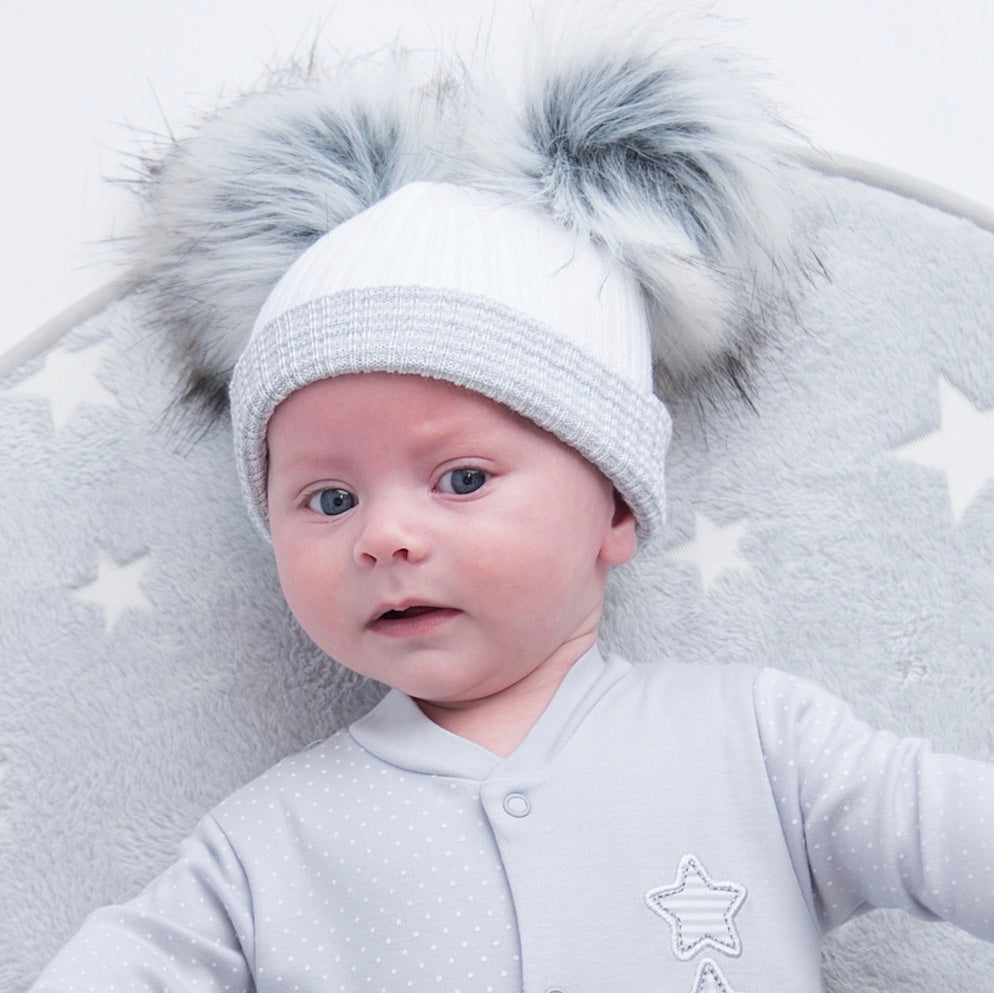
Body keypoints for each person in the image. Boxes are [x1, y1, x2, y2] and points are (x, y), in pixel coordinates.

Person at [28, 10, 994, 993]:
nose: (386, 536)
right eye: (327, 498)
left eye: (461, 480)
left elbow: (948, 832)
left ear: (615, 507)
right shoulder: (263, 853)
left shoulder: (758, 746)